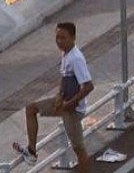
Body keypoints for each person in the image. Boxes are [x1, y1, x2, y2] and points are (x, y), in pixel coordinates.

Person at [14, 22, 94, 172]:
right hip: (63, 103)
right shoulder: (65, 54)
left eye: (63, 38)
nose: (59, 41)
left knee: (79, 149)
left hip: (73, 110)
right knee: (31, 109)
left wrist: (70, 103)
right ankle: (31, 151)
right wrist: (59, 94)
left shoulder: (76, 58)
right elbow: (65, 78)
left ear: (73, 38)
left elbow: (89, 86)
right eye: (57, 37)